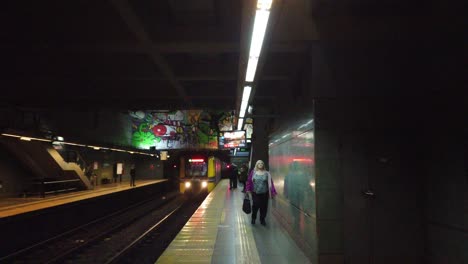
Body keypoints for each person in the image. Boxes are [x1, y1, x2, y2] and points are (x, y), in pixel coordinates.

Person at [245, 160, 277, 226]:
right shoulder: (253, 172)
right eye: (259, 163)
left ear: (263, 165)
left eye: (262, 163)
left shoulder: (267, 173)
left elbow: (271, 183)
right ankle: (253, 218)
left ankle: (262, 219)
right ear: (256, 164)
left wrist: (273, 192)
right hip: (255, 194)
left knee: (264, 208)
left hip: (264, 194)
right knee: (255, 207)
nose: (260, 164)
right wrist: (248, 189)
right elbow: (249, 181)